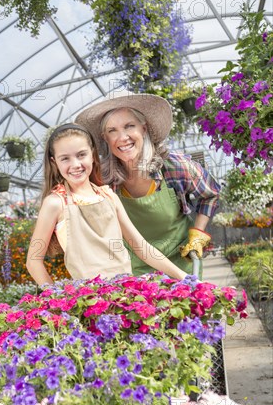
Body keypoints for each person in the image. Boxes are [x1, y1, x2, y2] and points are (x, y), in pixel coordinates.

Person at [75, 92, 221, 277]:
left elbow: (211, 193)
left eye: (129, 126)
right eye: (112, 131)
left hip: (181, 262)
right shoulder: (102, 179)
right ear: (105, 138)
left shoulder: (173, 166)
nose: (122, 137)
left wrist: (198, 232)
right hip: (133, 269)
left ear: (144, 129)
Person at [26, 123, 189, 285]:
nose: (75, 164)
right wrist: (57, 297)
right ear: (54, 162)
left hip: (126, 294)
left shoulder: (108, 195)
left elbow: (141, 247)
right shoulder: (56, 202)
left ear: (93, 155)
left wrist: (185, 277)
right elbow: (33, 262)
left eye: (81, 155)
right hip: (89, 301)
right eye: (65, 158)